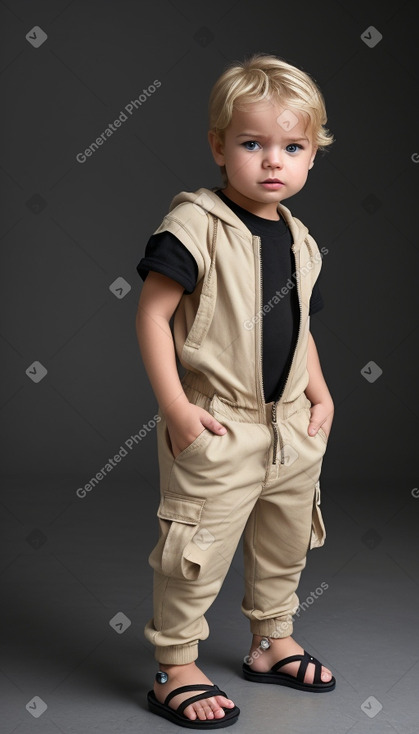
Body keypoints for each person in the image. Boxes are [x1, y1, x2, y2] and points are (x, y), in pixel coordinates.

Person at [135, 52, 336, 729]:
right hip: (219, 426)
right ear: (220, 147)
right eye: (253, 144)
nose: (272, 161)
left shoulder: (300, 240)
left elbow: (299, 325)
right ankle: (174, 665)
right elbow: (152, 315)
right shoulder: (196, 222)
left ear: (312, 154)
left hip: (290, 428)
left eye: (291, 146)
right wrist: (176, 409)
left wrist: (320, 393)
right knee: (195, 552)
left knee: (285, 541)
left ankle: (270, 641)